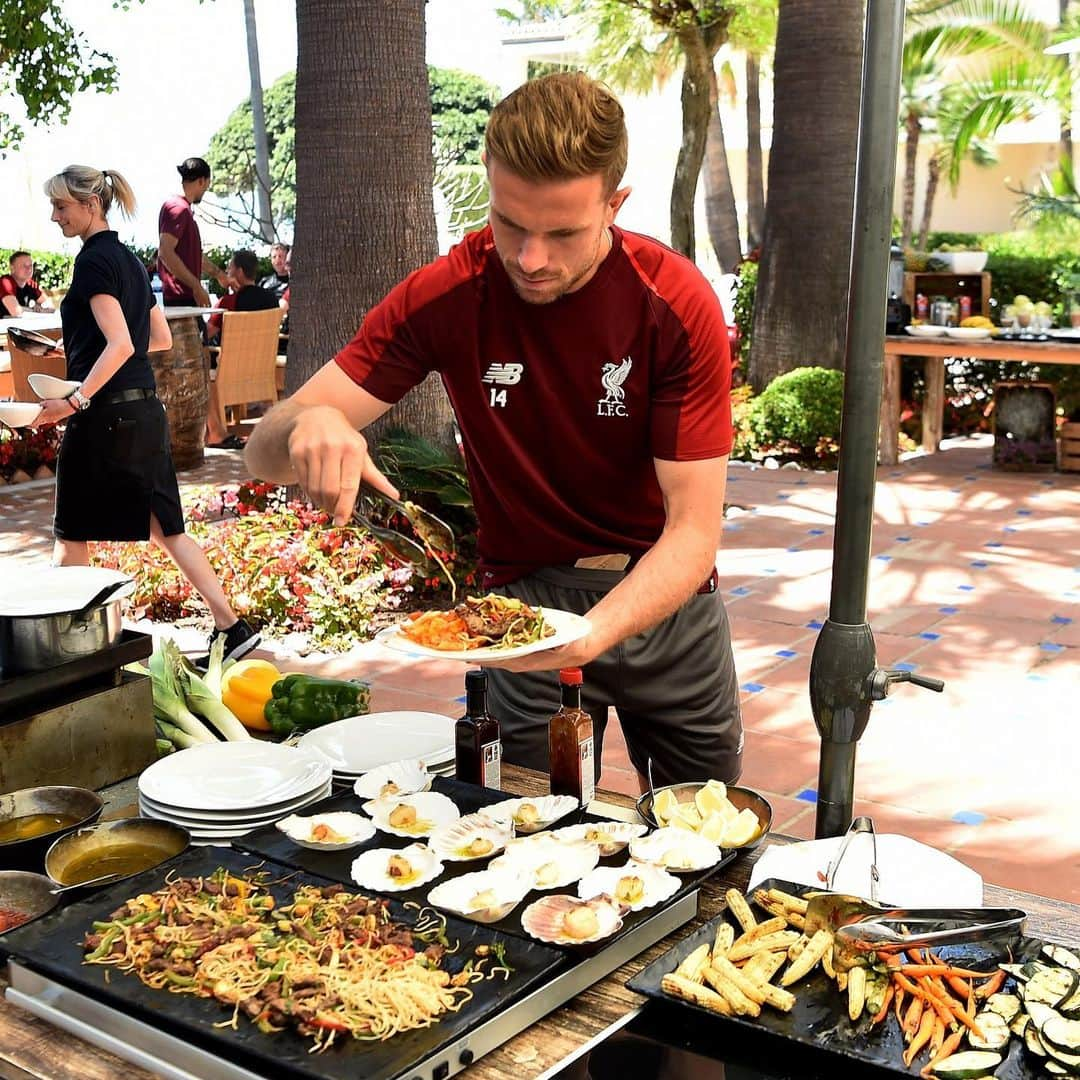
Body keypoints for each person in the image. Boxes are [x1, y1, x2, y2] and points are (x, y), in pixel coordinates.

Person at [245, 73, 742, 788]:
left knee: (711, 828)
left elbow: (694, 532)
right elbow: (263, 457)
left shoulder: (672, 302)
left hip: (669, 604)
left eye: (563, 232)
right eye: (510, 223)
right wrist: (310, 424)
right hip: (525, 602)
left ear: (615, 204)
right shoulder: (448, 293)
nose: (530, 259)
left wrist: (586, 637)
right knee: (526, 834)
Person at [36, 165, 260, 663]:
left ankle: (74, 652)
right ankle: (232, 627)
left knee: (71, 534)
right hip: (144, 415)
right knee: (168, 529)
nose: (54, 217)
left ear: (90, 205)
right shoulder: (132, 262)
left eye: (61, 207)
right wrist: (85, 356)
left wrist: (73, 398)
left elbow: (119, 344)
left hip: (103, 420)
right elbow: (154, 340)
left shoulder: (93, 263)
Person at [156, 157, 227, 308]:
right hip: (181, 302)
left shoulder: (182, 209)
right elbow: (165, 252)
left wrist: (219, 274)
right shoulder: (178, 209)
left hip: (187, 299)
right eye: (207, 184)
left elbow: (192, 256)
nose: (206, 190)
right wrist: (196, 286)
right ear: (202, 181)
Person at [206, 249, 279, 345]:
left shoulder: (228, 302)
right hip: (264, 358)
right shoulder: (272, 298)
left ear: (239, 272)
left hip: (233, 359)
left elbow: (206, 334)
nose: (226, 271)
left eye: (229, 268)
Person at [1, 251, 54, 317]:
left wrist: (38, 307)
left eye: (30, 265)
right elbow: (16, 312)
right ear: (12, 268)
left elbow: (51, 307)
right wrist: (34, 309)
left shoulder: (31, 284)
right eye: (24, 266)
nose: (29, 269)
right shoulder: (5, 282)